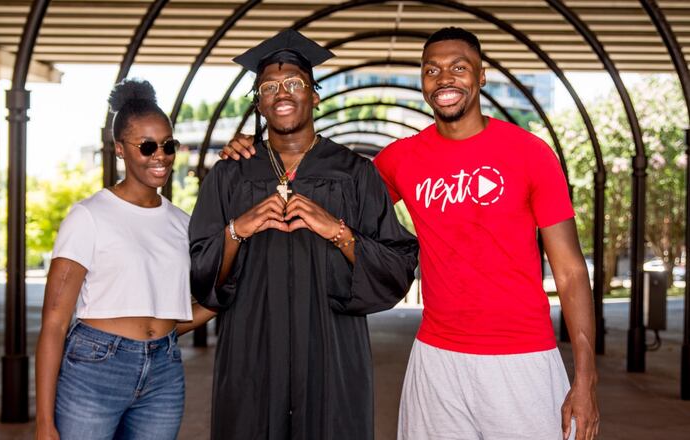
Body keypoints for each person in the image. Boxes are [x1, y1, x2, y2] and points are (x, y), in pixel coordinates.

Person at [220, 27, 599, 440]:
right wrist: (255, 153)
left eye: (459, 67)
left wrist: (586, 380)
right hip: (436, 356)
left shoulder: (529, 153)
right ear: (422, 80)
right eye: (432, 70)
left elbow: (571, 273)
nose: (445, 79)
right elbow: (327, 184)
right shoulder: (402, 159)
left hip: (521, 355)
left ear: (482, 75)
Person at [189, 29, 419, 440]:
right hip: (250, 345)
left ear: (314, 95)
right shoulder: (230, 174)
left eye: (294, 83)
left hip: (332, 344)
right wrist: (237, 229)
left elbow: (398, 265)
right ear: (258, 102)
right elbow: (201, 271)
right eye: (269, 87)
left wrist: (338, 231)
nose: (282, 93)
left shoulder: (354, 172)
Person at [35, 78, 215, 440]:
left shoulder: (182, 223)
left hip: (164, 369)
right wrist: (43, 423)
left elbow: (171, 317)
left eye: (168, 145)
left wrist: (223, 300)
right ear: (120, 149)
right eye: (147, 146)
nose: (160, 156)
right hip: (95, 368)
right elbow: (54, 324)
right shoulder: (89, 216)